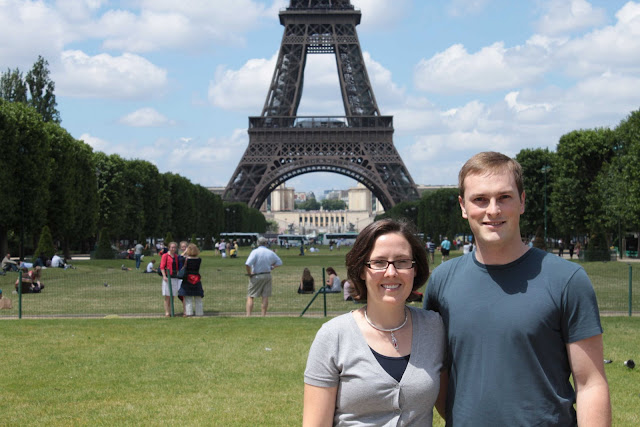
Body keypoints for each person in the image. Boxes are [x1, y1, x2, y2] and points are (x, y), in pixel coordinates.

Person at [425, 151, 611, 426]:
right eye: (480, 199)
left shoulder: (568, 280)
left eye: (504, 197)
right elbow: (438, 374)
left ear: (522, 201)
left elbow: (591, 383)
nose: (493, 210)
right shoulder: (441, 282)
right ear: (463, 206)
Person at [303, 219, 446, 426]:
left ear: (415, 269)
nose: (391, 272)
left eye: (402, 261)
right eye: (379, 262)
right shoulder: (333, 336)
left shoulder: (434, 328)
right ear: (361, 270)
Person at [245, 236, 283, 316]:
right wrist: (272, 267)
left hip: (256, 275)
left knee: (250, 296)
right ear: (266, 243)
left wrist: (249, 273)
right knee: (265, 296)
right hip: (267, 275)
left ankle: (248, 315)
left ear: (257, 243)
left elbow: (248, 264)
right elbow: (279, 262)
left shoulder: (255, 252)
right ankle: (263, 315)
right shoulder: (270, 252)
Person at [178, 243, 204, 317]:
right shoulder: (199, 259)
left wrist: (184, 252)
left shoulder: (185, 259)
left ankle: (189, 313)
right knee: (198, 298)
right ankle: (199, 313)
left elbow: (180, 257)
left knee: (188, 298)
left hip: (187, 279)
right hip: (196, 279)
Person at [160, 242, 181, 317]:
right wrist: (164, 276)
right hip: (167, 277)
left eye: (174, 247)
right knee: (167, 296)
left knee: (173, 296)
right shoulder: (165, 256)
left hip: (175, 277)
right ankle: (167, 312)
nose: (173, 249)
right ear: (169, 248)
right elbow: (162, 266)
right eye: (172, 247)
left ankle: (172, 311)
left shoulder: (176, 256)